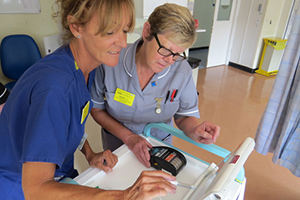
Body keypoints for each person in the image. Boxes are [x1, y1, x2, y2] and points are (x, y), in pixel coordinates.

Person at [0, 0, 177, 199]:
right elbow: (36, 189)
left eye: (125, 31)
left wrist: (89, 153)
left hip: (59, 175)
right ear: (76, 27)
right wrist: (123, 196)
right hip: (18, 186)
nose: (121, 42)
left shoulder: (84, 68)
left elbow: (73, 119)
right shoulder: (55, 89)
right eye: (110, 32)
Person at [90, 3, 221, 168]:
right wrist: (129, 138)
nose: (169, 60)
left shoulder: (182, 71)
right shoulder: (111, 62)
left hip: (159, 148)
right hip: (118, 147)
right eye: (166, 50)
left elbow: (184, 116)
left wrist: (194, 129)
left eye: (177, 54)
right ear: (146, 32)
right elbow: (96, 109)